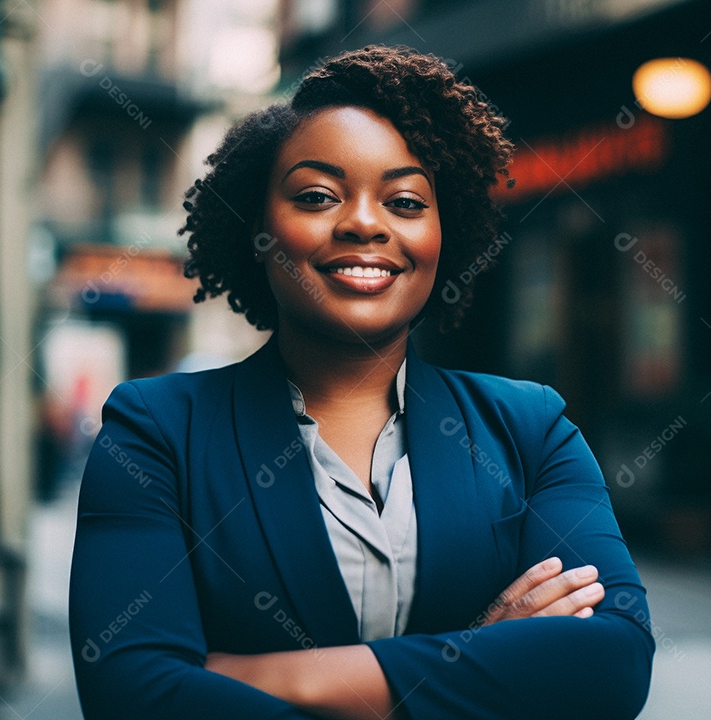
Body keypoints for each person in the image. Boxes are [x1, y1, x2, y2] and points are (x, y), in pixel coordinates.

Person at [69, 45, 654, 719]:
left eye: (405, 200)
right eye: (317, 195)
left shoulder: (529, 429)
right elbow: (132, 696)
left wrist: (275, 678)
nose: (364, 223)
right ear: (259, 230)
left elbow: (612, 663)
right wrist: (477, 663)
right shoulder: (156, 431)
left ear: (445, 232)